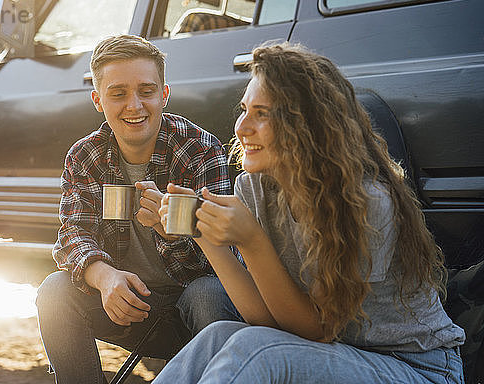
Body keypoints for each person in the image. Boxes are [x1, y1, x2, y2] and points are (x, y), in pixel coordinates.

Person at [154, 42, 466, 383]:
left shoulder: (365, 202)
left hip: (414, 368)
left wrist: (251, 240)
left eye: (262, 113)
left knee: (254, 351)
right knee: (219, 336)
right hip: (332, 355)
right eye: (244, 110)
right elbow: (265, 324)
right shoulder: (254, 188)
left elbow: (316, 331)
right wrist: (204, 234)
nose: (241, 127)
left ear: (307, 126)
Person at [35, 35, 241, 384]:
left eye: (146, 91)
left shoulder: (200, 150)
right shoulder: (85, 156)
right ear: (98, 100)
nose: (134, 105)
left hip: (190, 307)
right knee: (54, 290)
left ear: (164, 94)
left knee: (209, 291)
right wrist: (105, 277)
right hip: (124, 304)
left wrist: (172, 230)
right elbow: (73, 235)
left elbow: (222, 260)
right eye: (118, 93)